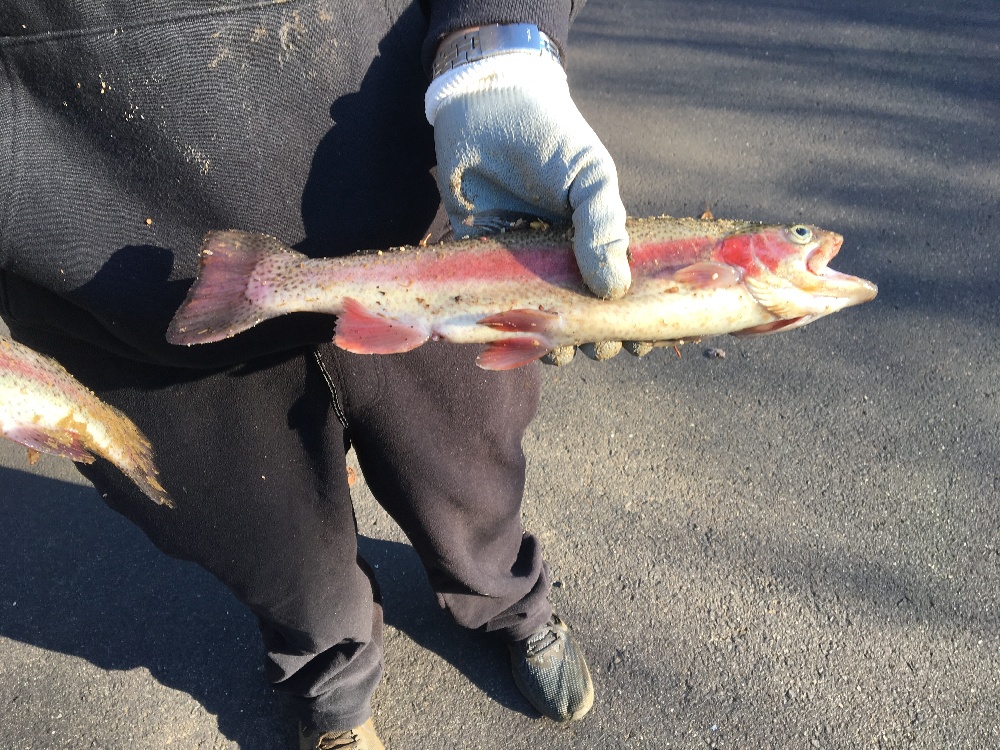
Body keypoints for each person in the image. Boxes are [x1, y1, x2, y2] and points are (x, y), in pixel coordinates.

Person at [0, 2, 630, 748]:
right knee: (284, 566)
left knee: (476, 479)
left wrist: (494, 44)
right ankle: (335, 697)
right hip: (127, 310)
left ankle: (510, 602)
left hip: (428, 242)